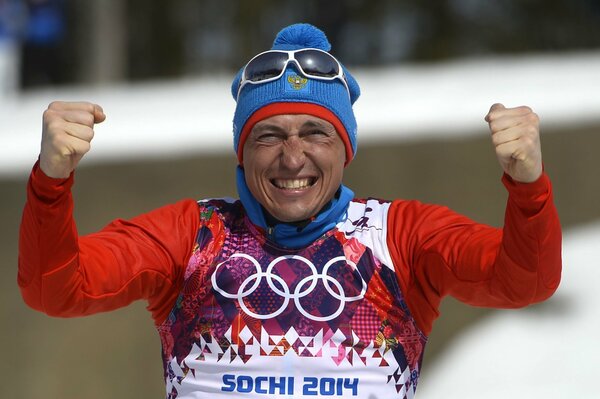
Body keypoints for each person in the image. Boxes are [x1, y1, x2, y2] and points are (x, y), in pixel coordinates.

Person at [18, 23, 561, 399]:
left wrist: (528, 185)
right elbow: (55, 289)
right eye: (269, 135)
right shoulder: (192, 235)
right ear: (242, 150)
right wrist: (52, 181)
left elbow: (525, 281)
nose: (293, 157)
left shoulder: (399, 235)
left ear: (345, 147)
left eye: (316, 133)